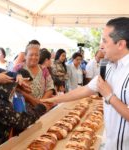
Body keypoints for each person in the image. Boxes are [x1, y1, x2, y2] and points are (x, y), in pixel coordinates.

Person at [42, 17, 129, 150]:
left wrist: (109, 96)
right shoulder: (110, 67)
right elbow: (84, 90)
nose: (101, 46)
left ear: (121, 44)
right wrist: (54, 99)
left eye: (105, 41)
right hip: (110, 144)